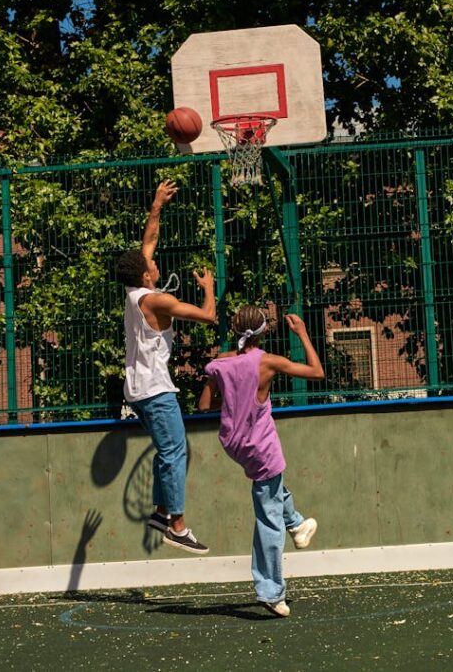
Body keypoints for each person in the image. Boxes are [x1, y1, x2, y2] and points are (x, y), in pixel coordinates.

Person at [198, 305, 324, 617]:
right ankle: (270, 590)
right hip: (261, 446)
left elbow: (203, 405)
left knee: (272, 487)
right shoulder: (268, 362)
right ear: (264, 331)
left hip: (234, 444)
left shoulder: (221, 363)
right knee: (269, 519)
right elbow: (316, 372)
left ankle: (296, 524)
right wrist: (303, 334)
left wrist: (228, 396)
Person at [115, 179, 216, 555]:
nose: (154, 262)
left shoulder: (133, 292)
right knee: (176, 452)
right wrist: (208, 285)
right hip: (155, 389)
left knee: (167, 451)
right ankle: (176, 524)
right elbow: (208, 316)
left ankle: (159, 512)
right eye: (151, 264)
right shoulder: (157, 301)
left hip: (137, 389)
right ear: (145, 274)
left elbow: (149, 241)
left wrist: (157, 205)